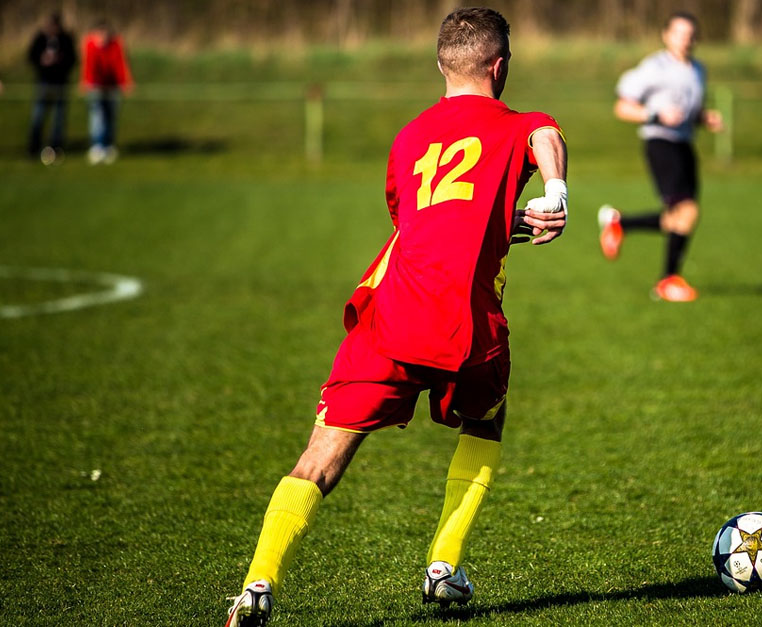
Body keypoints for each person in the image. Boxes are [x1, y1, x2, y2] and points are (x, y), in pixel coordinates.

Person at [224, 7, 568, 626]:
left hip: (390, 320)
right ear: (500, 65)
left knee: (319, 458)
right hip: (468, 326)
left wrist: (499, 224)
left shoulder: (408, 138)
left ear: (440, 65)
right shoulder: (519, 123)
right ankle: (443, 565)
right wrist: (555, 194)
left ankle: (257, 584)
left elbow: (421, 225)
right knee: (486, 420)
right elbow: (548, 137)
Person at [599, 11, 723, 302]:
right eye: (679, 33)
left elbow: (687, 114)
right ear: (666, 35)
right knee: (688, 211)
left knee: (677, 219)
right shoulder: (654, 67)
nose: (685, 39)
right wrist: (655, 114)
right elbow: (621, 107)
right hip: (660, 143)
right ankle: (668, 281)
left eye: (690, 34)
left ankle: (620, 224)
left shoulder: (698, 70)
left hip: (684, 144)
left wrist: (705, 118)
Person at [80, 20, 133, 165]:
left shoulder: (116, 44)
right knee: (97, 117)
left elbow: (120, 64)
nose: (102, 37)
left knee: (111, 116)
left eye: (105, 33)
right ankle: (97, 146)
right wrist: (88, 83)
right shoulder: (90, 44)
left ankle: (109, 146)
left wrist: (126, 83)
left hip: (112, 86)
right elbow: (89, 65)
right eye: (99, 33)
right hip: (96, 86)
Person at [26, 12, 76, 165]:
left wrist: (59, 61)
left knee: (58, 119)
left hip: (60, 83)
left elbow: (72, 59)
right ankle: (33, 148)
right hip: (44, 82)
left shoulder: (66, 39)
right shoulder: (40, 38)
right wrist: (42, 61)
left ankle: (56, 148)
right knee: (38, 116)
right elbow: (31, 56)